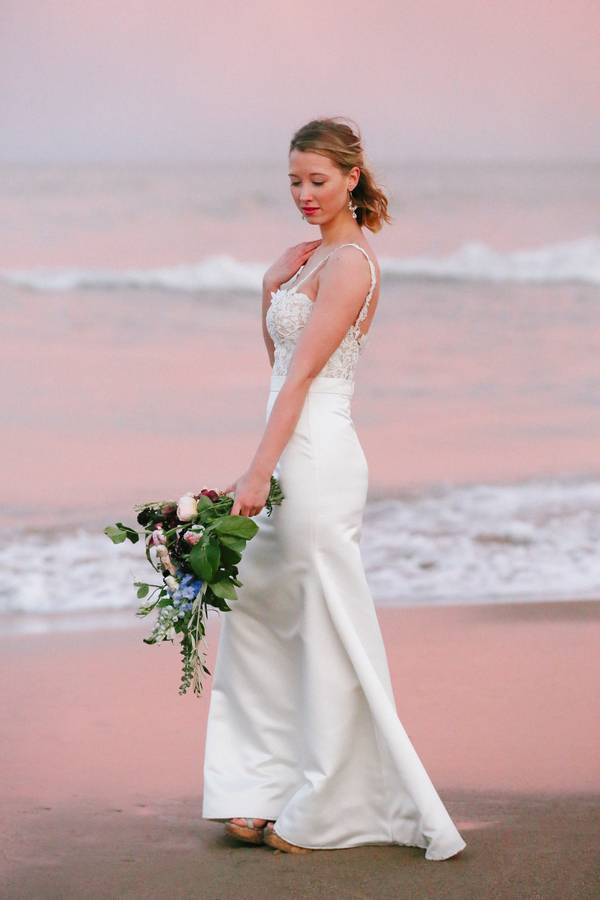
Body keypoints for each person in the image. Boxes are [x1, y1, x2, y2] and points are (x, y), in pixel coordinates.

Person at [202, 116, 467, 860]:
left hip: (315, 460)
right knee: (259, 616)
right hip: (284, 449)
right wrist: (267, 284)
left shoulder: (350, 264)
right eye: (294, 182)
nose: (304, 194)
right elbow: (274, 361)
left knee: (324, 627)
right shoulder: (301, 261)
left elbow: (303, 378)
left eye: (317, 181)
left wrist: (259, 471)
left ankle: (330, 805)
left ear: (352, 177)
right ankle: (255, 786)